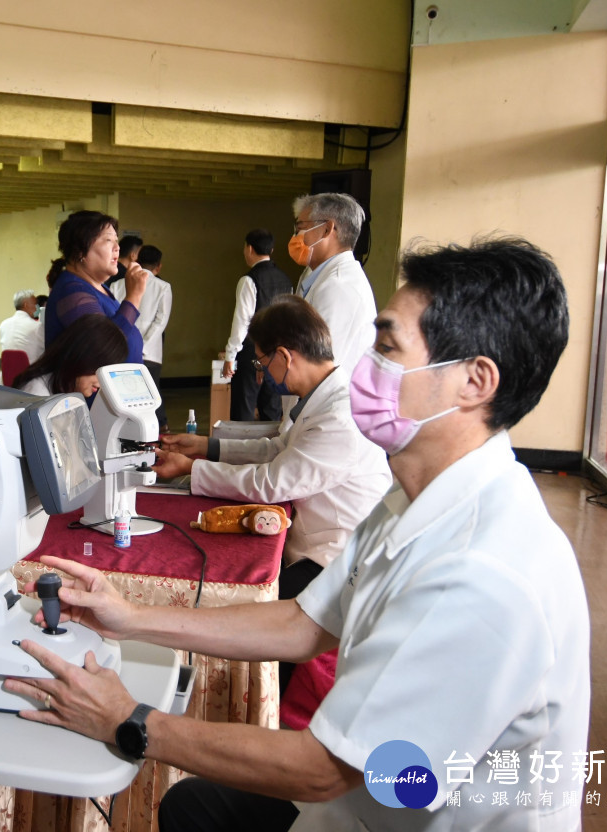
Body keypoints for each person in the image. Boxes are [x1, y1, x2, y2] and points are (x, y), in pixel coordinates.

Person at [6, 237, 589, 832]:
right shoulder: (410, 499)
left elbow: (327, 768)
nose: (364, 365)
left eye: (386, 348)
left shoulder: (483, 573)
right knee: (191, 806)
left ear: (474, 382)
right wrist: (131, 615)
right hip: (355, 809)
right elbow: (305, 623)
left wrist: (130, 721)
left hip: (385, 810)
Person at [154, 295, 391, 696]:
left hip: (336, 557)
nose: (264, 375)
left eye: (263, 364)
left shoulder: (339, 417)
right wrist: (206, 447)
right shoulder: (321, 396)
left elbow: (271, 482)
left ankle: (253, 702)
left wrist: (192, 469)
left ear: (286, 355)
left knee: (248, 616)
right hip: (320, 537)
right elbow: (278, 450)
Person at [43, 210, 146, 364]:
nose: (117, 247)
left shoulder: (99, 288)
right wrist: (134, 297)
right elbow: (103, 349)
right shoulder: (72, 291)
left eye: (116, 240)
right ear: (80, 251)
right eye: (108, 240)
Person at [288, 193, 376, 369]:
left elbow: (317, 364)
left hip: (323, 395)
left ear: (327, 229)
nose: (295, 237)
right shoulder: (314, 274)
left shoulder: (340, 286)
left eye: (300, 228)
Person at [221, 230, 292, 421]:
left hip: (251, 353)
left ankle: (240, 449)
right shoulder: (286, 280)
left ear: (249, 248)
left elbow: (242, 321)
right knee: (272, 410)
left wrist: (230, 355)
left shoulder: (249, 280)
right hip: (277, 354)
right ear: (271, 249)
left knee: (243, 409)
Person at [112, 244, 172, 430]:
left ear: (136, 260)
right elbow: (160, 322)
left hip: (120, 350)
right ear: (159, 266)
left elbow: (114, 317)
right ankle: (153, 433)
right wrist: (142, 346)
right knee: (149, 397)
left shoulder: (117, 285)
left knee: (122, 398)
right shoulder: (163, 287)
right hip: (150, 353)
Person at [12, 315, 127, 398]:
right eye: (101, 370)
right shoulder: (37, 395)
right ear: (84, 359)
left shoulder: (66, 391)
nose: (102, 383)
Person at [0, 288, 41, 354]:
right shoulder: (36, 326)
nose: (37, 307)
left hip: (8, 364)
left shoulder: (3, 325)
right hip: (33, 364)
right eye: (35, 304)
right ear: (25, 305)